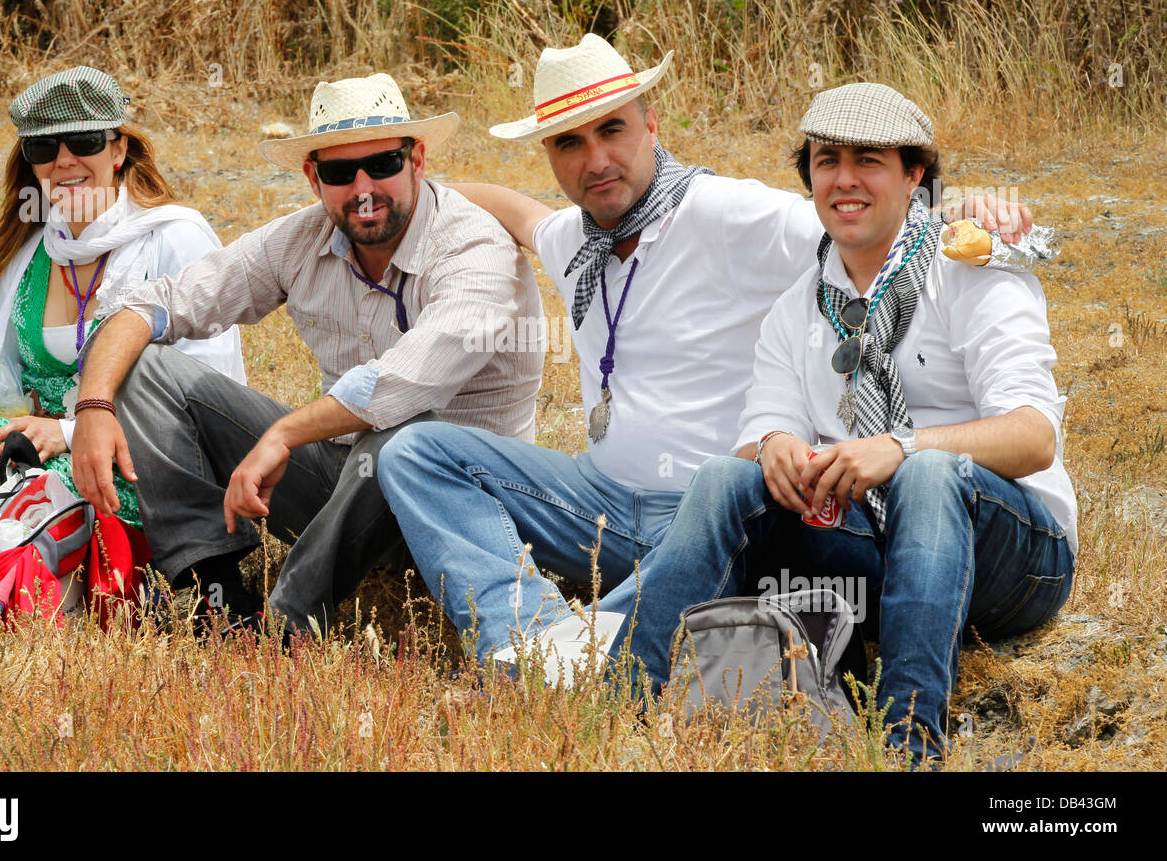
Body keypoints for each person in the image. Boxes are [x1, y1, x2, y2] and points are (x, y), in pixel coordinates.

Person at [376, 33, 1036, 667]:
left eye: (613, 130)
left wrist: (961, 206)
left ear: (651, 125)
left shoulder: (723, 213)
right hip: (592, 501)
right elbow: (515, 211)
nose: (595, 159)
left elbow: (862, 211)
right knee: (414, 453)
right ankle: (525, 632)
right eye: (569, 142)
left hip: (707, 515)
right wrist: (391, 196)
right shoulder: (576, 239)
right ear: (550, 154)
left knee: (724, 513)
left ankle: (595, 649)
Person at [590, 82, 1076, 762]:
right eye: (826, 161)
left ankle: (909, 748)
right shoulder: (797, 307)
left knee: (930, 474)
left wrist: (902, 447)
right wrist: (778, 447)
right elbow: (758, 433)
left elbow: (1034, 436)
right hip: (879, 552)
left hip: (1016, 558)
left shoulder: (974, 267)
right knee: (726, 479)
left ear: (915, 177)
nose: (844, 180)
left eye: (869, 160)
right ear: (809, 178)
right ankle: (620, 702)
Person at [69, 73, 544, 636]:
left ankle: (289, 619)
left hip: (459, 503)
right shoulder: (300, 238)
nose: (363, 188)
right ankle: (216, 595)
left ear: (417, 159)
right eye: (340, 173)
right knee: (144, 368)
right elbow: (154, 303)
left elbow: (406, 385)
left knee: (407, 432)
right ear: (312, 177)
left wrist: (283, 434)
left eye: (383, 165)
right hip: (343, 480)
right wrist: (93, 405)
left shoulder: (472, 243)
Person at [0, 66, 245, 585]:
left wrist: (68, 432)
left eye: (84, 140)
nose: (64, 160)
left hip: (137, 459)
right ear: (33, 167)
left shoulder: (175, 238)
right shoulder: (30, 250)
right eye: (44, 149)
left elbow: (205, 399)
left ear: (118, 151)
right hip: (35, 440)